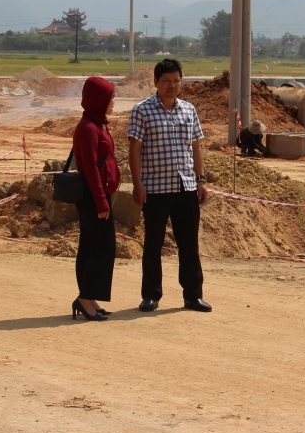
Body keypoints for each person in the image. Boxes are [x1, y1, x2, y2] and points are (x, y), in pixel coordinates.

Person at [129, 59, 212, 313]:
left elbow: (196, 148)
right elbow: (135, 149)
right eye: (166, 81)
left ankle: (193, 296)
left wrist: (201, 180)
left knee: (189, 244)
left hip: (186, 187)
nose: (172, 85)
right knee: (153, 244)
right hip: (154, 188)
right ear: (155, 82)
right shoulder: (142, 110)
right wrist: (137, 184)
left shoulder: (189, 110)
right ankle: (151, 296)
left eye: (176, 80)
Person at [71, 76, 121, 321]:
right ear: (99, 99)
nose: (113, 102)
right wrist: (101, 202)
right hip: (93, 197)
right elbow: (90, 168)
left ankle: (89, 298)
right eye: (110, 98)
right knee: (104, 247)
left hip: (100, 195)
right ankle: (85, 298)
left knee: (92, 246)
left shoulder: (98, 124)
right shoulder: (88, 128)